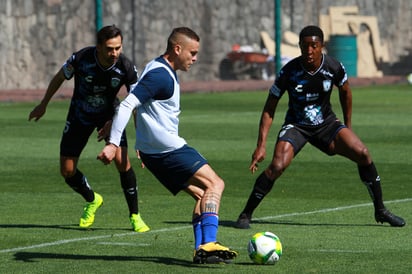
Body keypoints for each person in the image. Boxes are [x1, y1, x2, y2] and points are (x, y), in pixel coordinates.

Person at [235, 25, 405, 229]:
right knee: (277, 166)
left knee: (363, 153)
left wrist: (347, 126)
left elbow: (346, 93)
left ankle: (381, 210)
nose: (309, 51)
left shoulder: (333, 67)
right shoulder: (289, 72)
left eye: (313, 46)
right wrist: (261, 145)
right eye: (304, 46)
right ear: (299, 46)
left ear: (321, 46)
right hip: (296, 126)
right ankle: (245, 214)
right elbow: (269, 108)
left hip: (326, 124)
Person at [97, 27, 238, 264]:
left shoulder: (156, 68)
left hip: (154, 154)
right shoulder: (160, 75)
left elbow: (138, 104)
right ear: (177, 49)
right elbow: (127, 104)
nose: (195, 58)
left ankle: (200, 251)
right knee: (216, 184)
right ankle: (209, 242)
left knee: (202, 194)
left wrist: (119, 127)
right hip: (168, 150)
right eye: (192, 53)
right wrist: (113, 143)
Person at [28, 25, 150, 232]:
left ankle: (135, 216)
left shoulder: (125, 67)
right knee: (67, 171)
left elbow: (135, 103)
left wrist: (142, 138)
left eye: (118, 48)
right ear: (99, 47)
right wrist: (43, 104)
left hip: (109, 117)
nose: (115, 53)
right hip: (79, 115)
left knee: (122, 161)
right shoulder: (81, 58)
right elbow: (59, 77)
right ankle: (92, 199)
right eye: (110, 49)